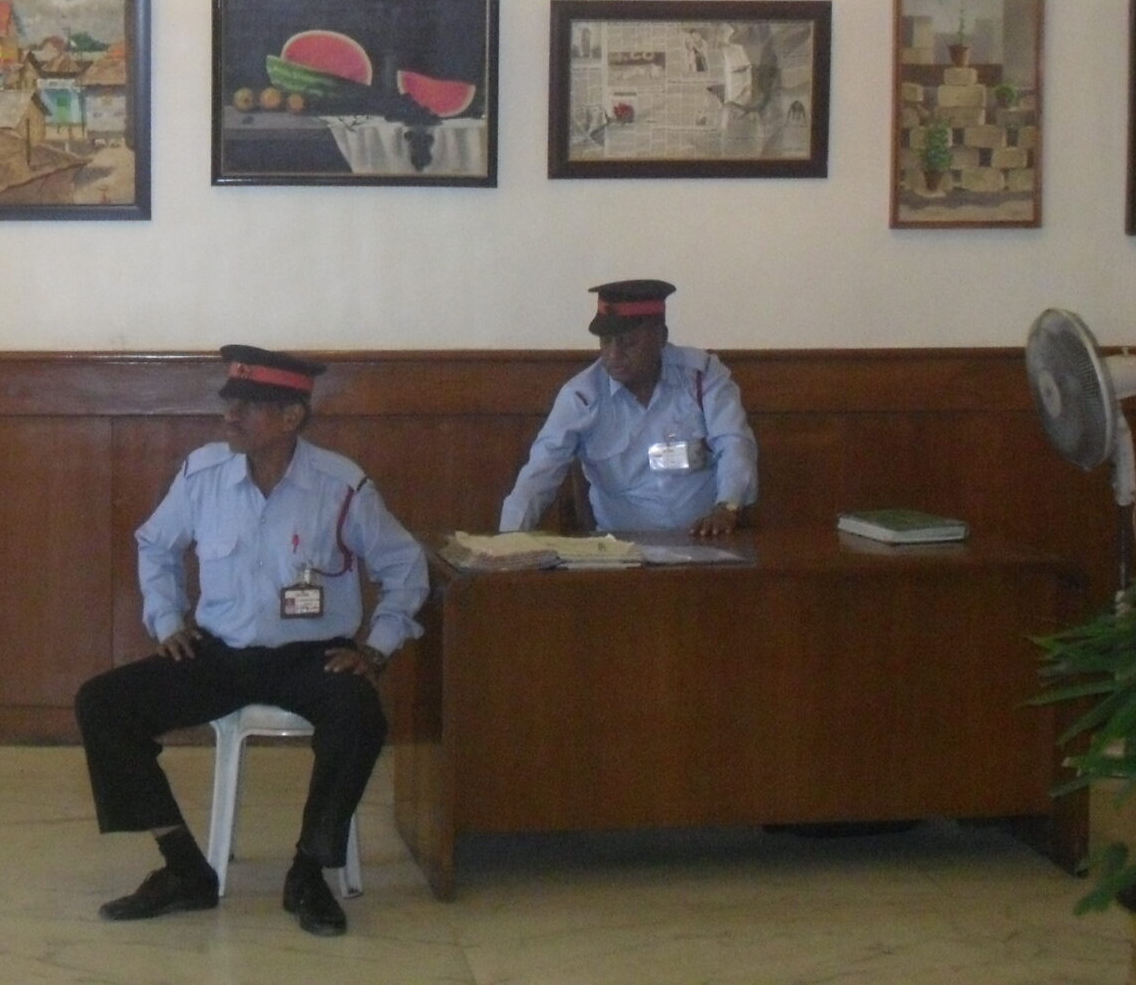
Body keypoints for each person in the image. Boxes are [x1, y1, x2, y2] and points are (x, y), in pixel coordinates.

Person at [74, 345, 426, 938]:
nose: (229, 416)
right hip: (219, 653)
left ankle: (308, 872)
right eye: (229, 402)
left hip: (310, 657)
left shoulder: (340, 486)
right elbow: (155, 545)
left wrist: (376, 648)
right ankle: (183, 867)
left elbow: (406, 568)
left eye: (247, 406)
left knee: (360, 716)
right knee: (103, 704)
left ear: (291, 418)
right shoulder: (202, 475)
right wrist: (168, 620)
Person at [498, 279, 758, 538]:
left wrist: (728, 506)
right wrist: (508, 543)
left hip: (707, 540)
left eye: (629, 342)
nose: (613, 355)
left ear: (661, 337)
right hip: (622, 550)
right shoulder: (582, 397)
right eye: (606, 342)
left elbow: (734, 443)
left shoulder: (702, 377)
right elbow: (538, 476)